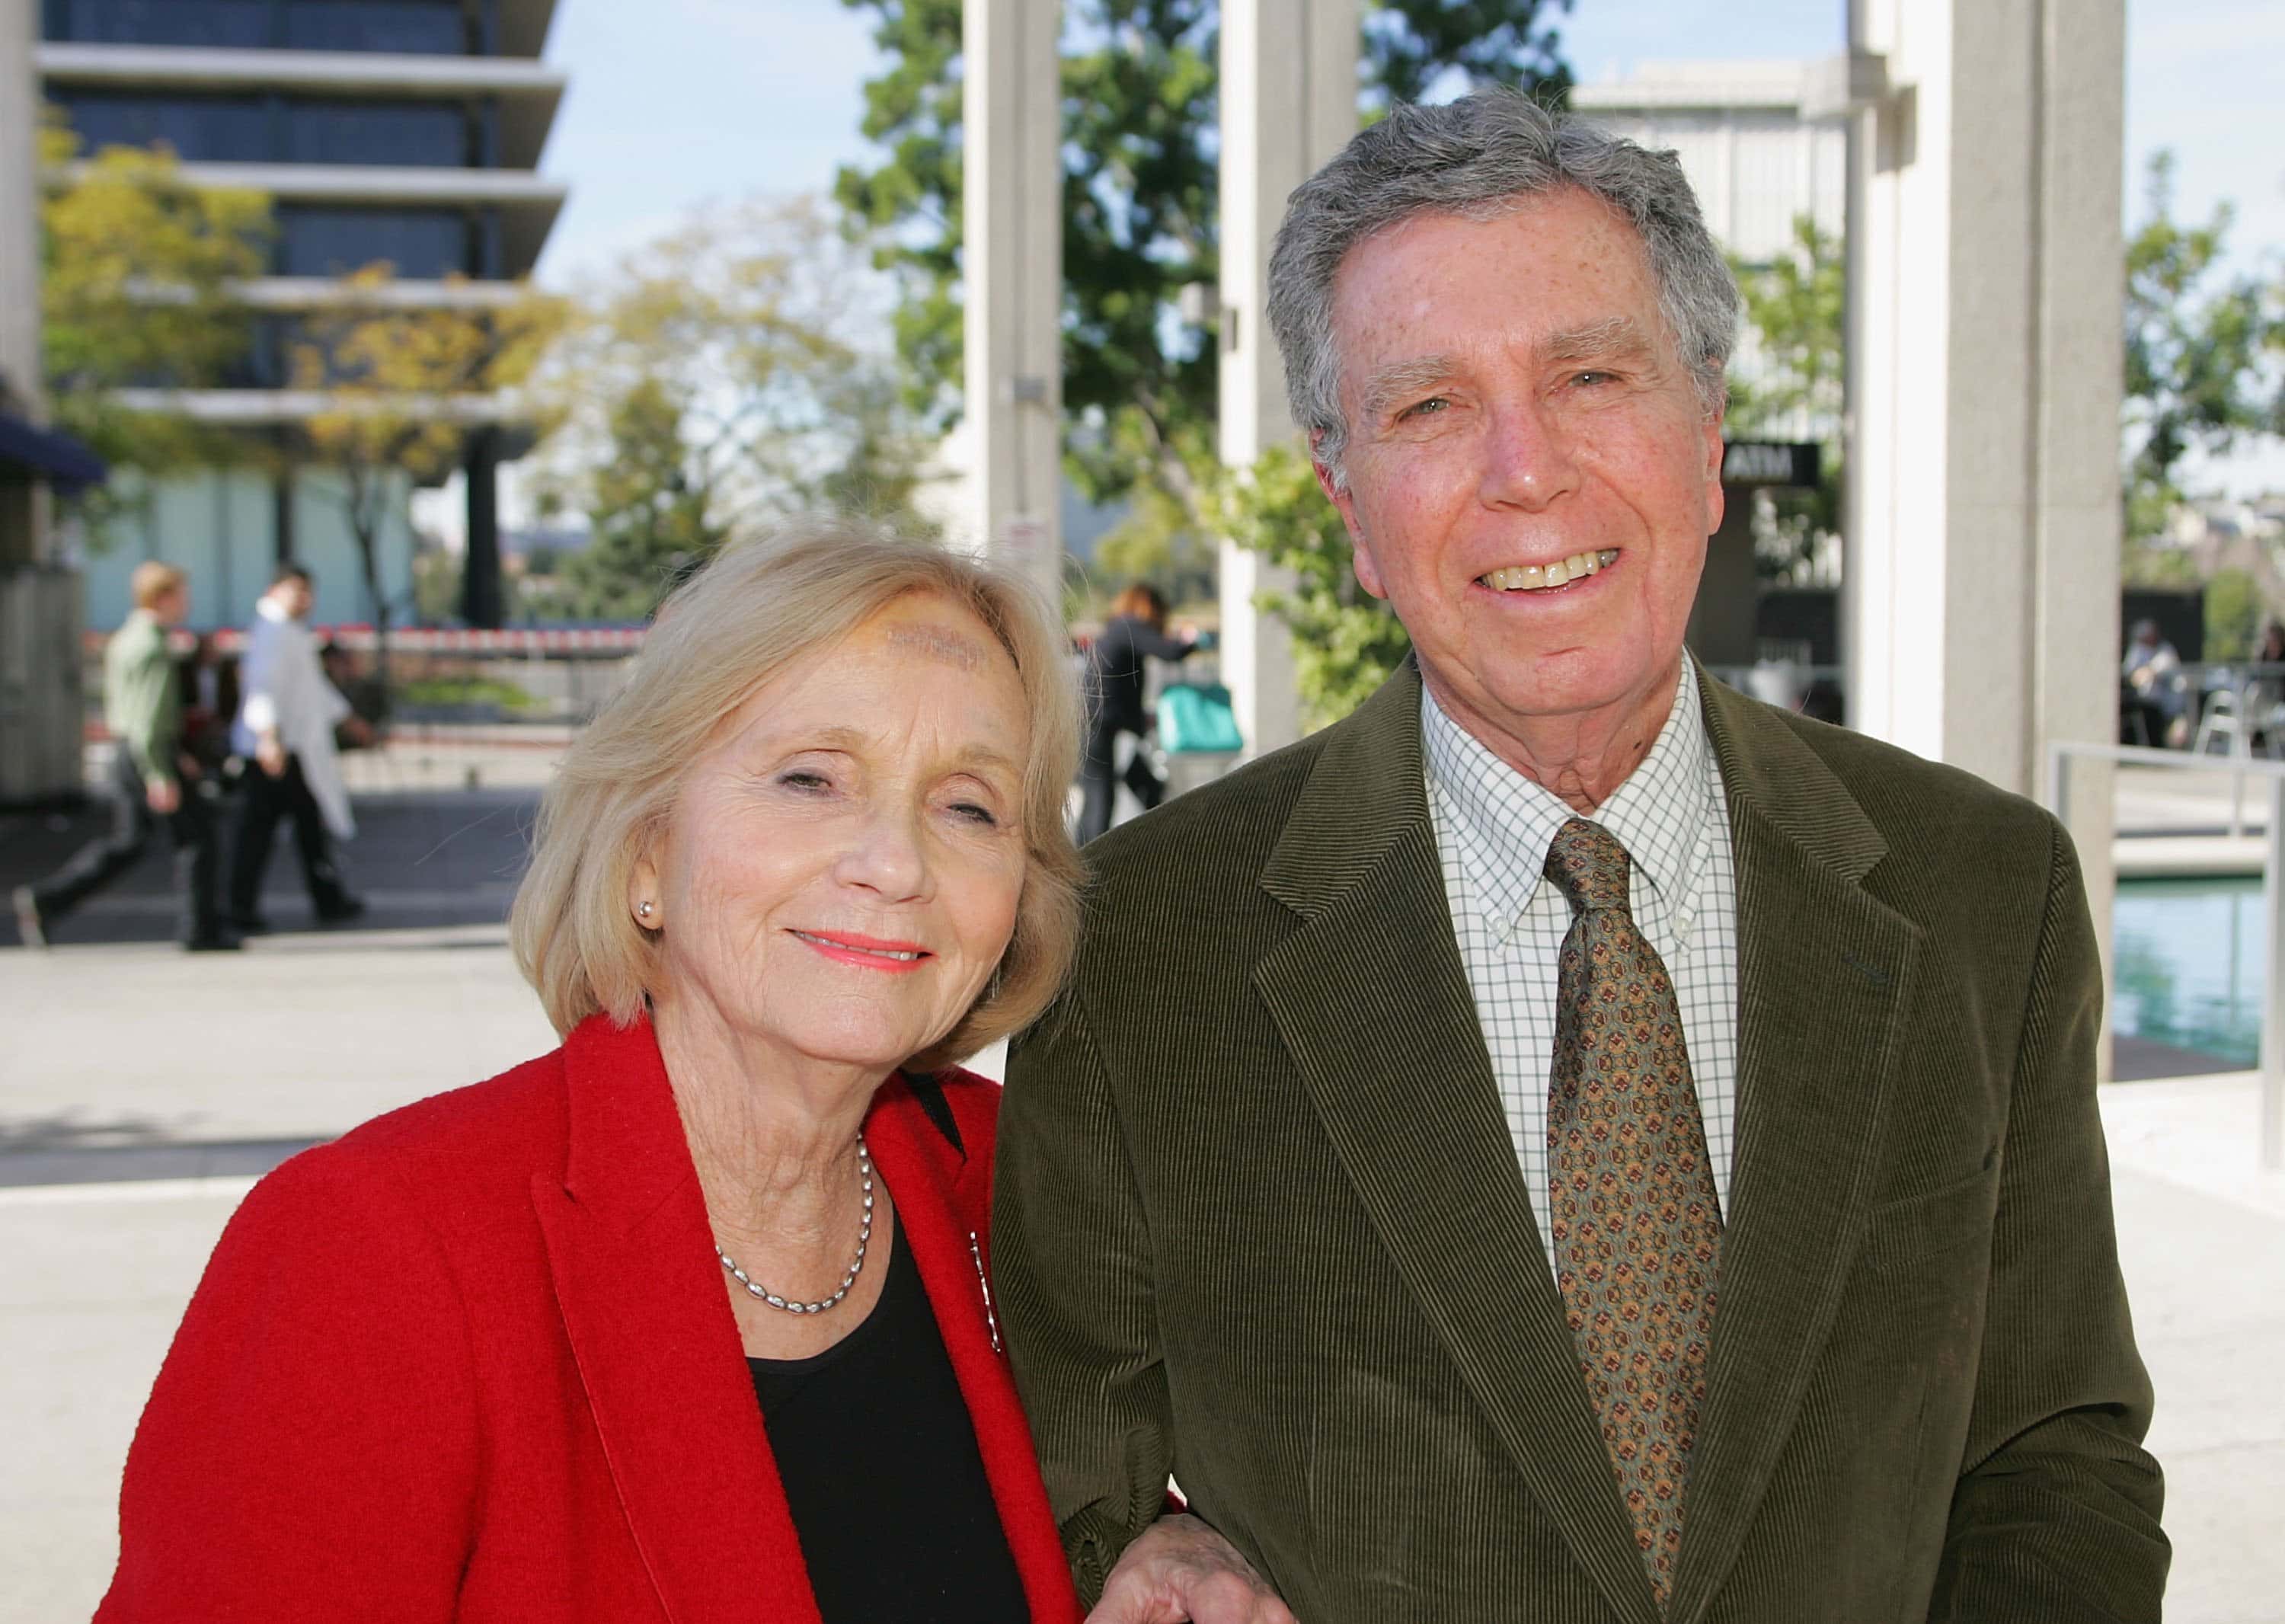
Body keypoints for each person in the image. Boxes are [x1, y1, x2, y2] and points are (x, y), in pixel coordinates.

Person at [995, 91, 2168, 1622]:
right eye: (1427, 409)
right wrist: (1134, 1553)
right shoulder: (1136, 944)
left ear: (1707, 435)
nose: (1526, 470)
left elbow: (2051, 1447)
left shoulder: (1981, 891)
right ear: (1348, 502)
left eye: (1590, 375)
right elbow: (1056, 1493)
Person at [98, 521, 1280, 1623]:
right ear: (648, 847)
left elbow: (1046, 1513)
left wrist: (1168, 1546)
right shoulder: (373, 1251)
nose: (893, 862)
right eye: (812, 778)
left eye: (969, 806)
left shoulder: (1013, 1179)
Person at [13, 563, 236, 953]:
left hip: (132, 749)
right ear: (162, 597)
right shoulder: (151, 644)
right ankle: (201, 928)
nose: (187, 603)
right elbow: (150, 716)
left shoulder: (126, 638)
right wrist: (160, 771)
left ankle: (49, 900)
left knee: (131, 841)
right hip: (146, 751)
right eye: (182, 595)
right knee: (198, 835)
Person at [226, 564, 366, 931]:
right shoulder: (272, 632)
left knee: (308, 829)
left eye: (308, 591)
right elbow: (262, 687)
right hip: (276, 750)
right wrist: (268, 737)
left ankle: (326, 898)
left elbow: (312, 689)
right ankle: (240, 905)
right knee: (260, 832)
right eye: (296, 590)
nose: (304, 599)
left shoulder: (288, 632)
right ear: (274, 591)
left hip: (292, 749)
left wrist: (347, 719)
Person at [1077, 583, 1198, 843]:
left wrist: (1142, 720)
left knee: (1145, 786)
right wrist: (1191, 640)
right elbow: (1170, 652)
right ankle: (1087, 864)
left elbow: (1120, 688)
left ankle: (1160, 842)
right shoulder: (1128, 626)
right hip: (1098, 723)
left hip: (1100, 721)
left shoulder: (1118, 629)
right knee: (1101, 796)